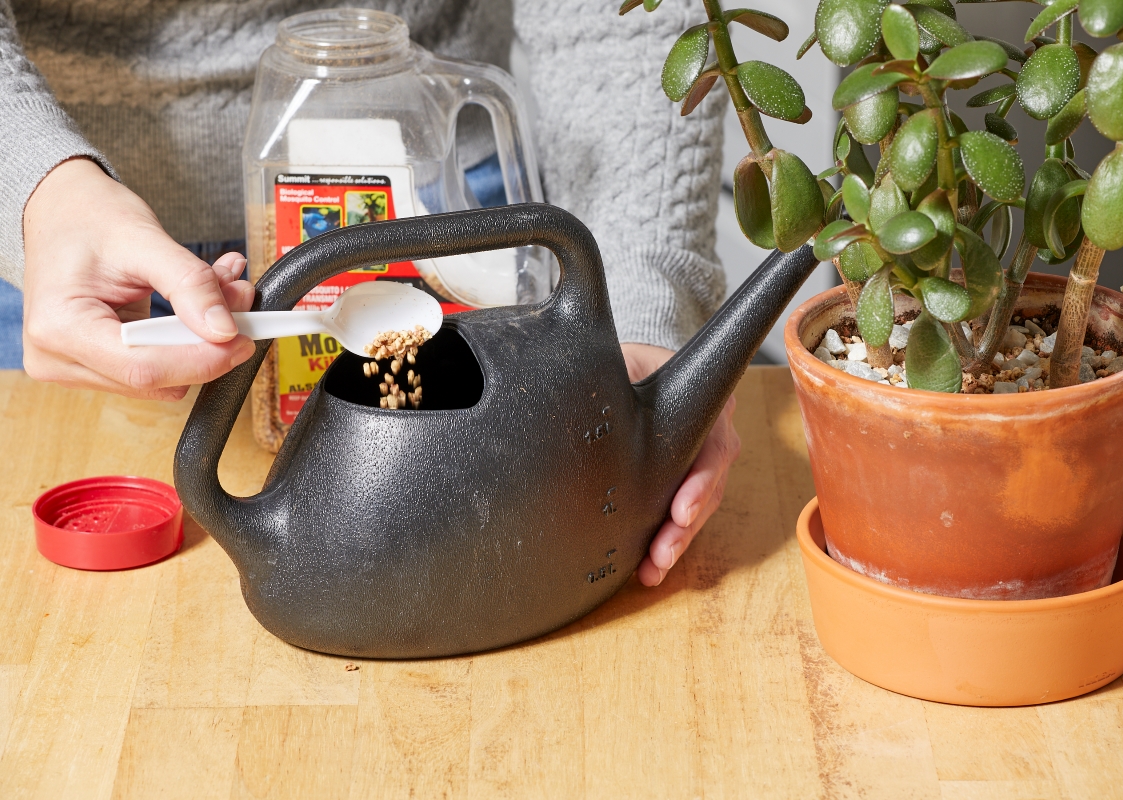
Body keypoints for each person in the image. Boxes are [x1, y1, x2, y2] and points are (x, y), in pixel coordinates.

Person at [1, 0, 737, 587]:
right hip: (67, 240)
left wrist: (643, 300)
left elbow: (622, 16)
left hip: (448, 203)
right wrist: (39, 189)